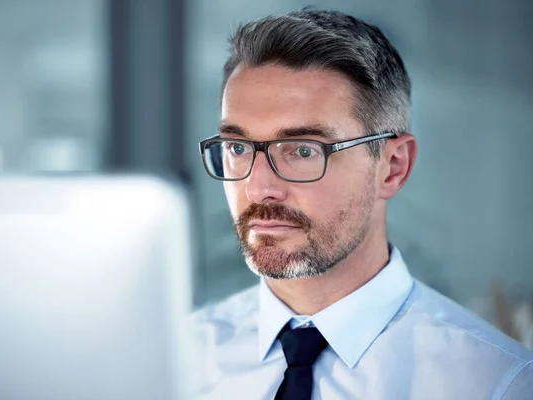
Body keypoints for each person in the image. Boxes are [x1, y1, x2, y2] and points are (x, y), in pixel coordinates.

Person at [193, 8, 533, 400]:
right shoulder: (173, 365)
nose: (258, 188)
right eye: (237, 147)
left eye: (303, 150)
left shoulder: (497, 384)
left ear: (392, 167)